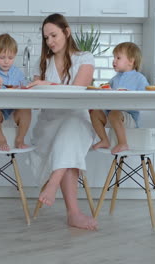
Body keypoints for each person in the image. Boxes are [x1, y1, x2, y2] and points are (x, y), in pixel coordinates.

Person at [27, 13, 97, 230]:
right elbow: (39, 103)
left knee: (72, 127)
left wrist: (45, 85)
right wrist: (39, 86)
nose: (50, 41)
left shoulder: (85, 58)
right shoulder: (44, 63)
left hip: (77, 119)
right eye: (46, 37)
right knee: (68, 138)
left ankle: (54, 183)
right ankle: (73, 213)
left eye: (54, 35)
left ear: (66, 32)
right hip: (49, 123)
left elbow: (76, 93)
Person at [90, 42, 149, 154]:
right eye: (114, 57)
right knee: (95, 113)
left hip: (129, 118)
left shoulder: (139, 78)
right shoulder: (114, 79)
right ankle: (104, 140)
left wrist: (151, 89)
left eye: (118, 58)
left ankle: (123, 143)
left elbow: (146, 94)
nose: (114, 61)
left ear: (131, 61)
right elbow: (107, 92)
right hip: (111, 115)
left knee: (114, 113)